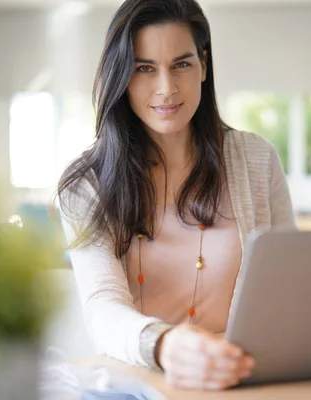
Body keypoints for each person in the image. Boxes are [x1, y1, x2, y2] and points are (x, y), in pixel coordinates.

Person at [56, 0, 295, 391]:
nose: (166, 89)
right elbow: (102, 306)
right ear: (122, 77)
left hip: (241, 379)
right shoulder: (86, 184)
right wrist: (163, 344)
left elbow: (289, 282)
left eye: (181, 64)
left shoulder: (256, 158)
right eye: (144, 68)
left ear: (203, 65)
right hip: (138, 385)